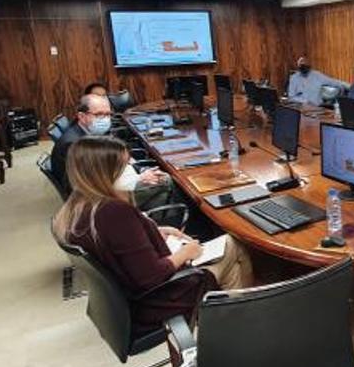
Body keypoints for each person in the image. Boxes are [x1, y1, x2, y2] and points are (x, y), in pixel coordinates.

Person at [51, 136, 253, 335]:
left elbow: (119, 244)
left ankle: (229, 323)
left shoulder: (77, 207)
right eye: (124, 165)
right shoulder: (114, 212)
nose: (131, 168)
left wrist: (152, 231)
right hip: (159, 301)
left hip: (125, 303)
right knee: (233, 244)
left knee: (230, 264)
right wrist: (186, 253)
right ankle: (238, 326)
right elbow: (151, 276)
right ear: (104, 173)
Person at [50, 94, 171, 210]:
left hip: (108, 183)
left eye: (108, 114)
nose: (105, 119)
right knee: (167, 181)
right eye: (99, 114)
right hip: (96, 200)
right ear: (82, 116)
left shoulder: (87, 131)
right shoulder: (75, 144)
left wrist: (136, 169)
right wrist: (139, 179)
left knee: (158, 178)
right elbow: (95, 184)